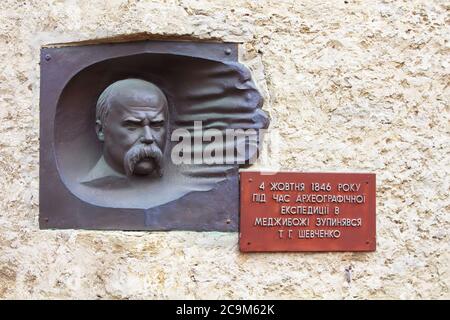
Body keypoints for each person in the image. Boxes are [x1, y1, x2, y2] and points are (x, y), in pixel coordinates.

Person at [82, 78, 168, 184]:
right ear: (101, 130)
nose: (148, 137)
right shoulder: (93, 186)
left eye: (156, 126)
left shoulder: (175, 188)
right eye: (133, 126)